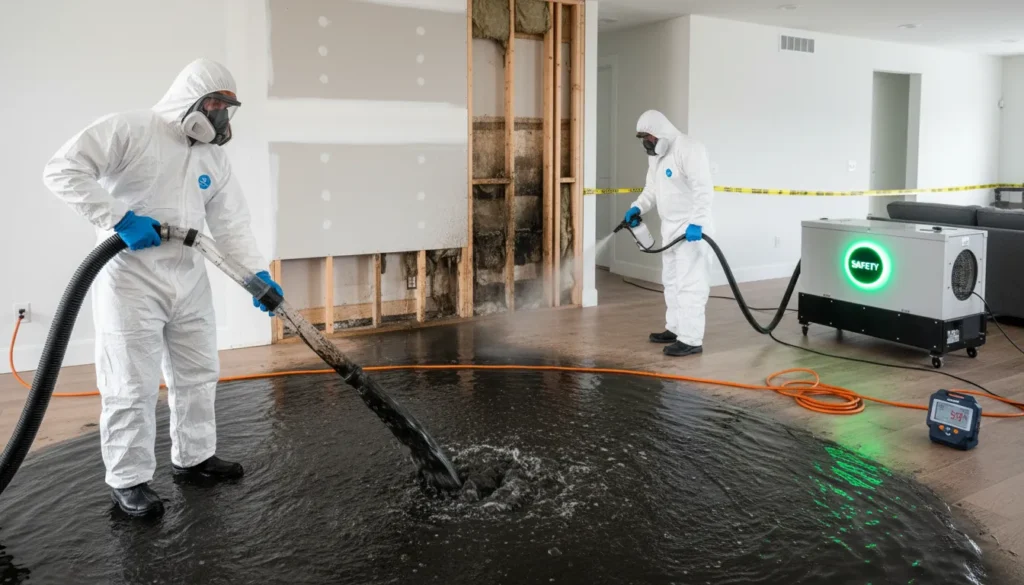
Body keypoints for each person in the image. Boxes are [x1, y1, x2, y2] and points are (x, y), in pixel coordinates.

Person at [42, 58, 283, 517]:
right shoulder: (131, 129)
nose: (219, 115)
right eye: (214, 103)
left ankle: (194, 458)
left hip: (189, 276)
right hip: (131, 279)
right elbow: (61, 171)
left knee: (197, 374)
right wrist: (118, 219)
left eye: (226, 108)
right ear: (190, 98)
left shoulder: (214, 157)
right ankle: (128, 481)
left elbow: (231, 224)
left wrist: (256, 275)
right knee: (130, 385)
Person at [624, 110, 714, 357]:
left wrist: (697, 223)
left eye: (649, 137)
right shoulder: (657, 156)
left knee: (690, 284)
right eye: (643, 138)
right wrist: (637, 206)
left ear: (660, 132)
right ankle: (675, 329)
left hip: (692, 231)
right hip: (670, 228)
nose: (647, 143)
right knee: (671, 282)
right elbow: (651, 189)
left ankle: (691, 339)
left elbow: (703, 190)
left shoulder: (689, 148)